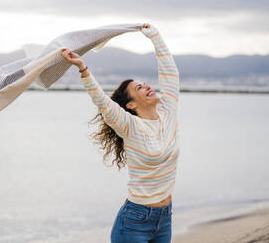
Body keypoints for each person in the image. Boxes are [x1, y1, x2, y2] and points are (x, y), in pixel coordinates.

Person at [61, 23, 180, 243]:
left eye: (144, 84)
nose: (146, 86)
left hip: (165, 219)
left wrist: (155, 36)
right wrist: (82, 69)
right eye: (139, 88)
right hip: (134, 222)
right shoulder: (129, 126)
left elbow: (170, 72)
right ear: (131, 105)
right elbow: (103, 102)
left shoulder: (168, 112)